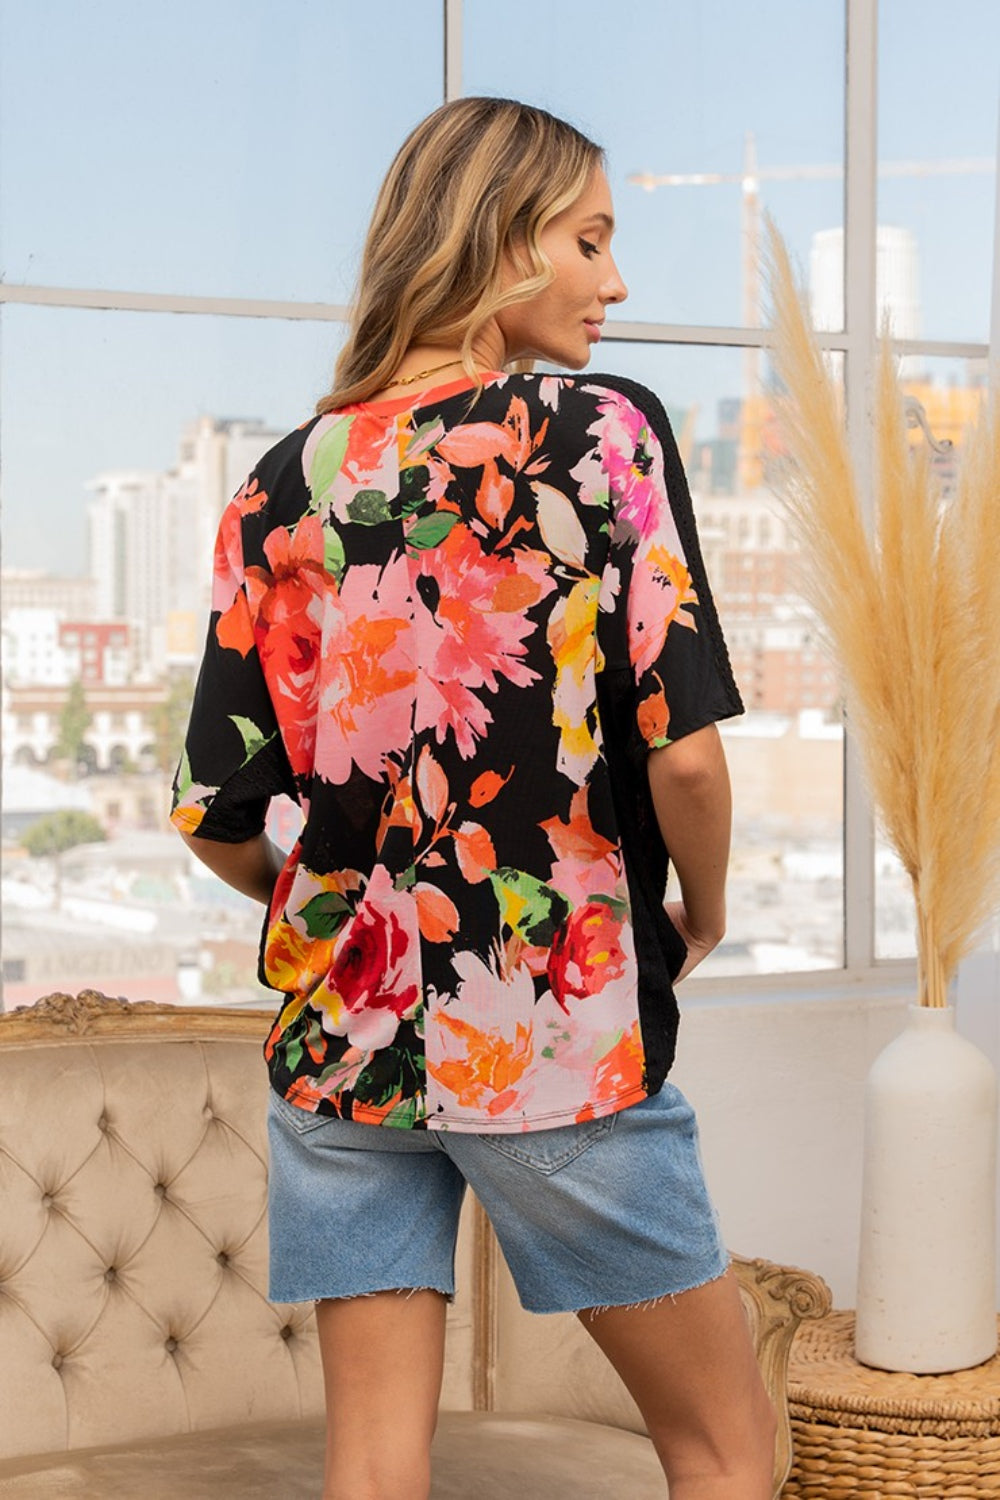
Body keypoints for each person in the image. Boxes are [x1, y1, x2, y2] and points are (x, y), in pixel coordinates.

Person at [172, 96, 775, 1500]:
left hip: (342, 1038)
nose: (614, 281)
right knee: (724, 1447)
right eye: (589, 240)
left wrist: (344, 905)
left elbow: (212, 806)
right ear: (503, 241)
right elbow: (684, 755)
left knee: (373, 1471)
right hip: (554, 1027)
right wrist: (703, 910)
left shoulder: (281, 482)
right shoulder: (598, 432)